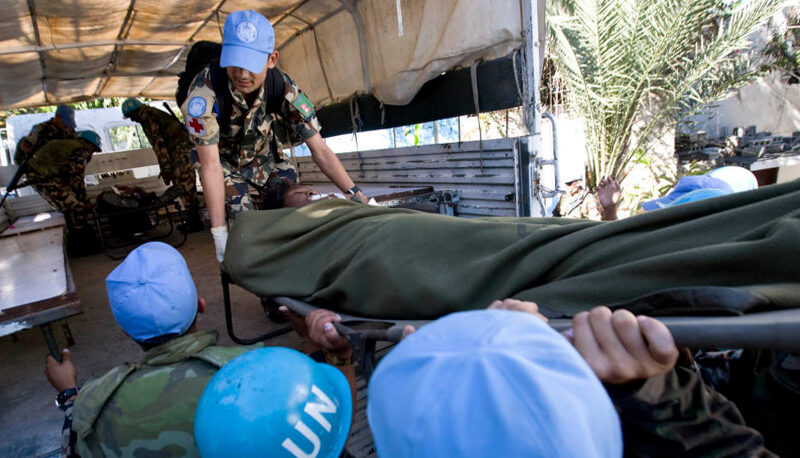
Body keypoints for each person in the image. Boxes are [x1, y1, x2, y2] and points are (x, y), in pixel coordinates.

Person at [44, 241, 352, 457]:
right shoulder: (261, 371)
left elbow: (74, 447)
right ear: (200, 305)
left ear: (125, 330)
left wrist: (69, 395)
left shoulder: (96, 403)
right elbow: (329, 434)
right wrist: (326, 348)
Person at [180, 9, 368, 262]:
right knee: (245, 224)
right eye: (236, 64)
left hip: (266, 157)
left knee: (295, 207)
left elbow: (320, 150)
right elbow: (211, 166)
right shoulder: (203, 95)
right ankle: (266, 287)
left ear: (272, 59)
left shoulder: (283, 87)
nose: (243, 75)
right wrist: (219, 234)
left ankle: (301, 273)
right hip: (223, 163)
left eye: (252, 65)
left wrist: (357, 194)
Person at [120, 98, 201, 226]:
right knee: (185, 184)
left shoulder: (147, 116)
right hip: (181, 150)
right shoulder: (151, 113)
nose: (132, 119)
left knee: (183, 184)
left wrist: (166, 168)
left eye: (130, 116)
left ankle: (195, 219)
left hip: (180, 150)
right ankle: (194, 218)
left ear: (135, 111)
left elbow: (159, 144)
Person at [25, 130, 101, 229]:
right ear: (90, 145)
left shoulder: (69, 145)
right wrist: (84, 201)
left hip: (38, 174)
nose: (92, 153)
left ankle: (77, 229)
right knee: (75, 206)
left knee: (70, 204)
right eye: (94, 150)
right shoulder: (80, 151)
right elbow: (76, 178)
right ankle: (80, 233)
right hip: (42, 176)